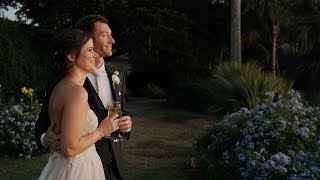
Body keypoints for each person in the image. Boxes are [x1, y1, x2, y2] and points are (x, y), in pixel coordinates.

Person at [35, 15, 132, 180]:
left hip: (112, 167)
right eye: (104, 35)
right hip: (79, 167)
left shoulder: (117, 74)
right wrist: (45, 138)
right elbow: (46, 121)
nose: (112, 40)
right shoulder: (66, 83)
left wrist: (125, 124)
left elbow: (121, 110)